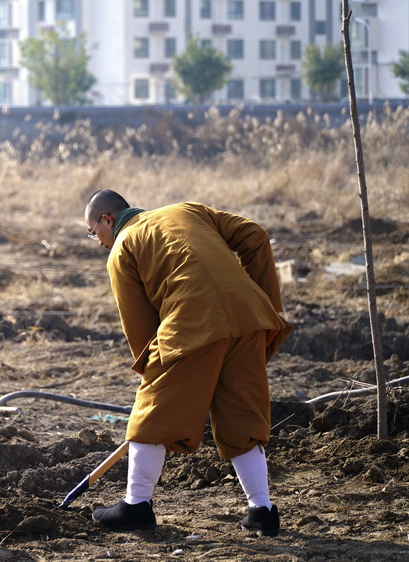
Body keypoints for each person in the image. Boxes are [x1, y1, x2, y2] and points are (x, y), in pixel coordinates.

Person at [83, 189, 291, 537]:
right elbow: (254, 236)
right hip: (248, 317)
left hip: (192, 323)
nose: (98, 241)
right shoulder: (187, 210)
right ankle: (262, 510)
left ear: (107, 220)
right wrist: (264, 305)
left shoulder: (123, 248)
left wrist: (156, 373)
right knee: (242, 414)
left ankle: (136, 505)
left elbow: (139, 327)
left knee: (151, 413)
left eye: (93, 233)